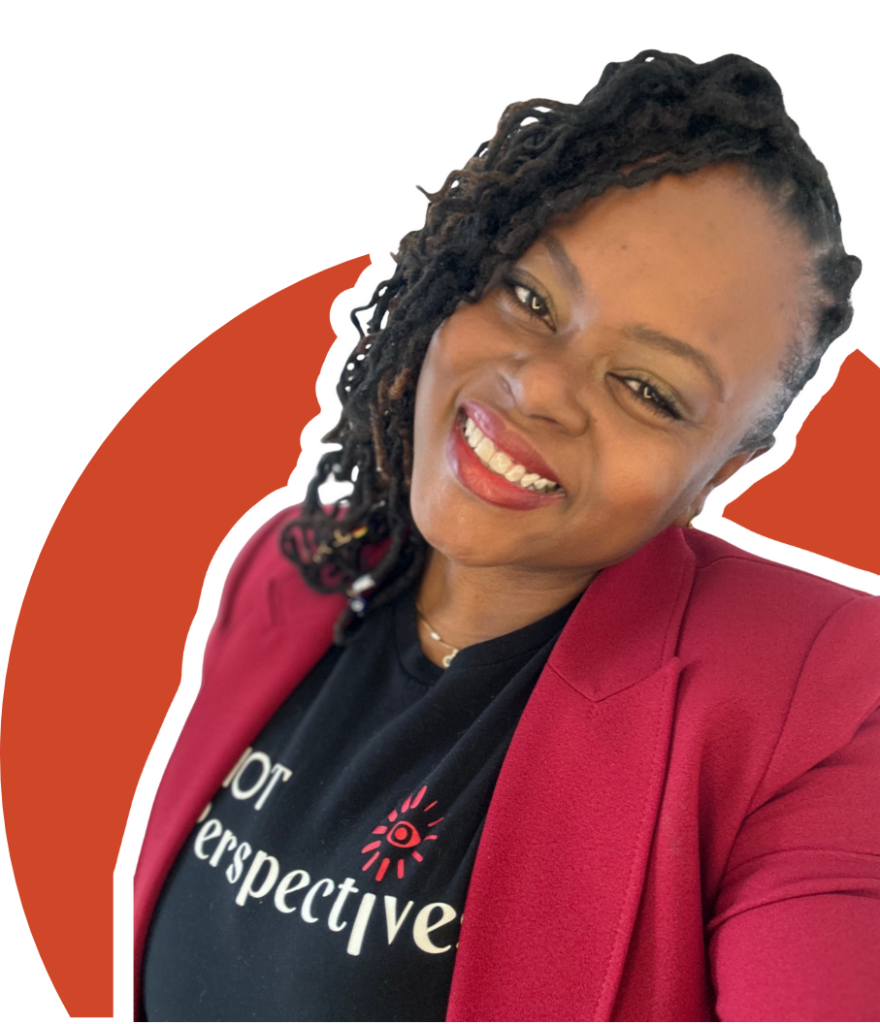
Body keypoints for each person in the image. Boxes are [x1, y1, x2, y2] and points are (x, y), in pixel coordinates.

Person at [133, 49, 879, 1022]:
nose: (537, 389)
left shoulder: (826, 691)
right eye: (529, 298)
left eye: (647, 389)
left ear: (721, 472)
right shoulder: (296, 563)